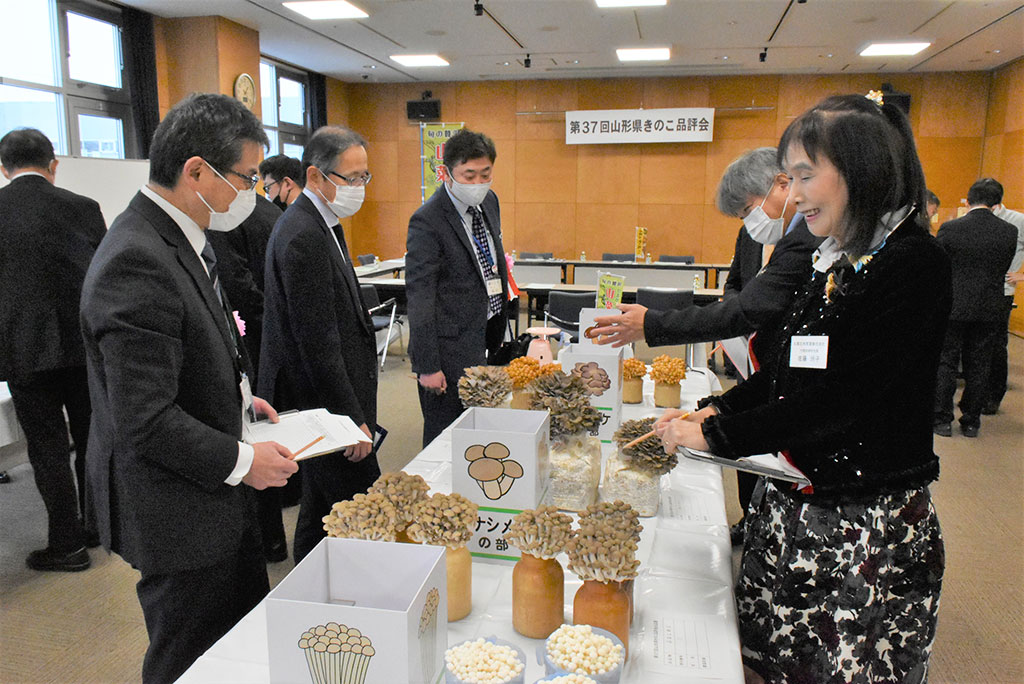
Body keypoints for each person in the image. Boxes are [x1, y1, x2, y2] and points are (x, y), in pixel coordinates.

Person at [658, 94, 950, 683]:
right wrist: (719, 404)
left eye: (804, 177)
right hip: (796, 502)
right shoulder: (838, 259)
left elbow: (841, 398)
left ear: (861, 172)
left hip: (859, 523)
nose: (790, 196)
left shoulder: (912, 264)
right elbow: (790, 369)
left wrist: (719, 434)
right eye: (788, 179)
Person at [80, 93, 298, 684]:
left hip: (213, 496)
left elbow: (188, 354)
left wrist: (239, 397)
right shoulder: (136, 257)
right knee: (190, 658)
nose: (250, 194)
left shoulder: (182, 237)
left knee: (237, 646)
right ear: (196, 170)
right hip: (179, 511)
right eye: (245, 178)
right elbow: (144, 419)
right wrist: (245, 460)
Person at [258, 126, 380, 564]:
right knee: (359, 503)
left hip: (330, 395)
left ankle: (307, 582)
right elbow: (317, 345)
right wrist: (353, 421)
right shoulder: (303, 235)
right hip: (323, 401)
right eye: (351, 178)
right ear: (315, 176)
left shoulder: (323, 222)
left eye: (365, 176)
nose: (359, 188)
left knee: (321, 504)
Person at [0, 128, 106, 571]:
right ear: (53, 164)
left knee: (45, 446)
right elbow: (104, 277)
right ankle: (99, 527)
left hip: (22, 350)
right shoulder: (84, 209)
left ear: (4, 168)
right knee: (90, 437)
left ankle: (66, 543)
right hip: (83, 344)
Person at [406, 128, 511, 447]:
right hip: (447, 349)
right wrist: (427, 365)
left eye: (485, 173)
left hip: (484, 333)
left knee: (480, 430)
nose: (478, 183)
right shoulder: (427, 220)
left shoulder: (489, 202)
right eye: (468, 175)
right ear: (446, 173)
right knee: (445, 435)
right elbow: (419, 296)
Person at [206, 182, 285, 563]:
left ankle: (267, 539)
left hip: (251, 338)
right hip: (263, 339)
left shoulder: (226, 220)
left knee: (254, 436)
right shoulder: (270, 210)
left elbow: (238, 286)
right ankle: (271, 536)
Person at [933, 178, 1016, 437]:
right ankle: (971, 421)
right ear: (998, 203)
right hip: (991, 306)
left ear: (967, 200)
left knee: (946, 361)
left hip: (954, 304)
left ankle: (942, 419)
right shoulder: (1009, 231)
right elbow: (1003, 266)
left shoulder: (950, 228)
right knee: (979, 364)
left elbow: (941, 266)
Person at [985, 198, 1024, 414]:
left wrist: (1021, 276)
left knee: (997, 346)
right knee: (978, 346)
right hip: (980, 290)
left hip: (1002, 292)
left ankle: (994, 395)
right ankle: (979, 394)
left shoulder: (1018, 221)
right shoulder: (978, 219)